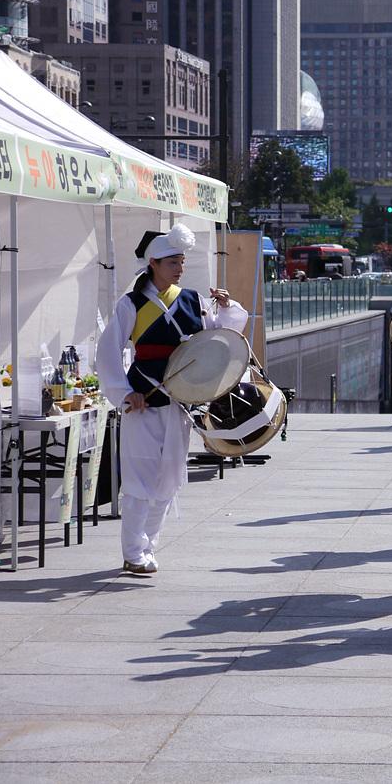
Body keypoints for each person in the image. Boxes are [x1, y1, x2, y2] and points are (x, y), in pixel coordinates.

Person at [96, 224, 248, 575]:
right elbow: (107, 353)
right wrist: (124, 393)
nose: (179, 268)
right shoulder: (131, 303)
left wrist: (226, 308)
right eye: (172, 262)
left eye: (181, 261)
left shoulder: (193, 299)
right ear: (153, 263)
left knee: (168, 480)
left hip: (180, 402)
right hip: (144, 402)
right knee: (139, 480)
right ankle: (133, 552)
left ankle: (148, 545)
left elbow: (217, 340)